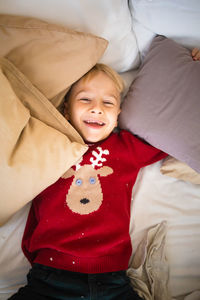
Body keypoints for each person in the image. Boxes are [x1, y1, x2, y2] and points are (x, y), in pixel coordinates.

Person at [9, 48, 200, 300]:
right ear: (66, 110)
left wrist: (191, 74)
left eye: (108, 102)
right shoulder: (50, 142)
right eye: (85, 100)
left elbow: (174, 128)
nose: (97, 108)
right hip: (50, 276)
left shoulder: (126, 148)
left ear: (118, 114)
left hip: (111, 281)